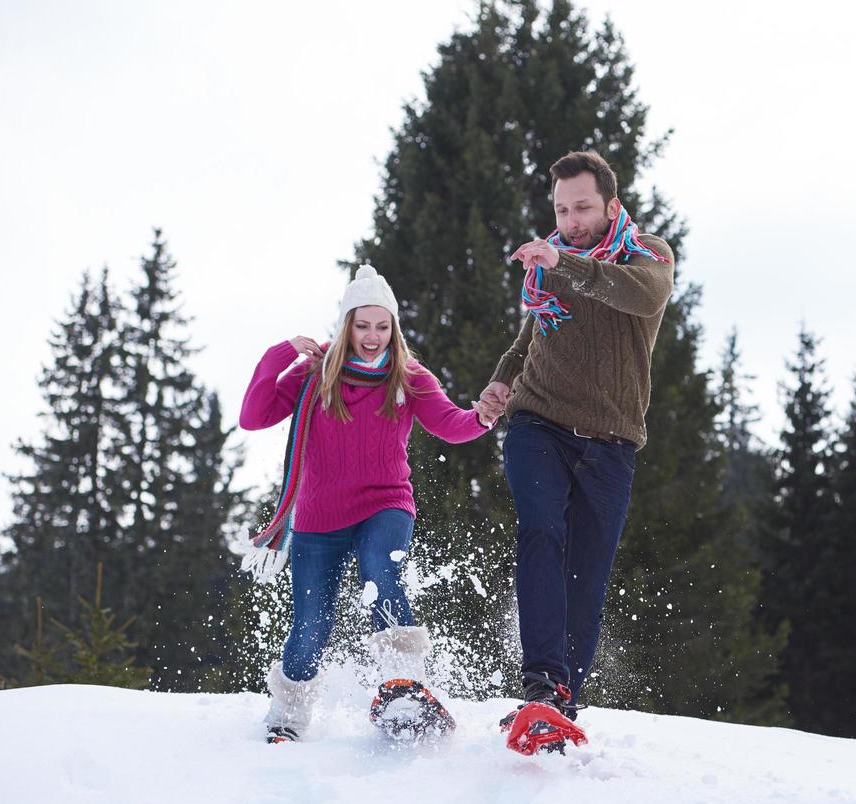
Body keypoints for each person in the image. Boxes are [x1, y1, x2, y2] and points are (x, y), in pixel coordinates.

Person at [239, 264, 497, 743]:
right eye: (363, 325)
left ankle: (404, 684)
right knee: (311, 623)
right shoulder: (311, 375)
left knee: (382, 569)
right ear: (346, 325)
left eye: (383, 326)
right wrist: (281, 352)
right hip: (318, 518)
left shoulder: (409, 377)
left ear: (393, 328)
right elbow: (253, 417)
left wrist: (482, 417)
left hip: (386, 504)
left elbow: (451, 424)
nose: (373, 336)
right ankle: (289, 712)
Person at [477, 149, 675, 748]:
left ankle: (561, 704)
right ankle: (539, 688)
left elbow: (640, 295)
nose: (571, 220)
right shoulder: (549, 263)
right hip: (539, 423)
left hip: (611, 443)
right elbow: (529, 339)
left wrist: (564, 262)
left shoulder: (650, 255)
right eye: (562, 210)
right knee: (540, 530)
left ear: (612, 205)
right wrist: (500, 383)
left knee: (586, 576)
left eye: (582, 207)